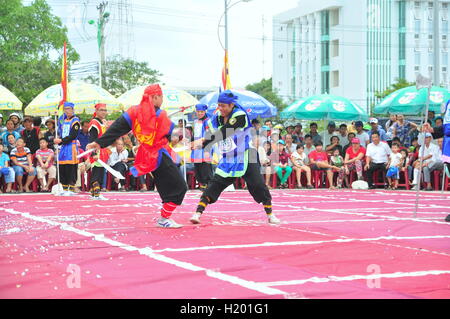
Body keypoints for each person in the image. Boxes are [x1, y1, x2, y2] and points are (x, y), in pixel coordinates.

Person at [86, 84, 187, 228]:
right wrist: (178, 136)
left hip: (146, 154)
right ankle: (164, 218)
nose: (162, 100)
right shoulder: (160, 115)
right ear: (155, 97)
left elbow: (117, 128)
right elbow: (172, 137)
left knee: (166, 184)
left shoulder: (134, 112)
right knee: (180, 187)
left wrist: (99, 142)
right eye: (161, 97)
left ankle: (165, 217)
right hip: (158, 154)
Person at [189, 90, 280, 225]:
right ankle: (198, 212)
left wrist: (203, 140)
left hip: (246, 154)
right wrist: (201, 144)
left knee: (258, 185)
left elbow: (225, 131)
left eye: (223, 105)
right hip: (229, 157)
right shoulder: (217, 117)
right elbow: (212, 133)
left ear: (231, 105)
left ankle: (270, 214)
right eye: (219, 105)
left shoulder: (240, 115)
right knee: (215, 184)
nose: (220, 108)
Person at [54, 102, 81, 196]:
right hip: (63, 146)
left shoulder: (75, 121)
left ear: (73, 110)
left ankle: (72, 187)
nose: (67, 111)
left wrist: (61, 140)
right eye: (65, 109)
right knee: (63, 167)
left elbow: (73, 135)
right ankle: (64, 188)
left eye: (69, 109)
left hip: (71, 146)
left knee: (71, 167)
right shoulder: (64, 120)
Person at [87, 103, 111, 199]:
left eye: (105, 110)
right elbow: (92, 139)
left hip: (103, 151)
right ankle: (97, 193)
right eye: (101, 110)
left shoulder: (102, 122)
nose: (104, 112)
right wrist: (93, 153)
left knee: (101, 172)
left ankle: (94, 194)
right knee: (97, 172)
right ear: (96, 111)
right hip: (97, 151)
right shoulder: (94, 123)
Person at [191, 103, 213, 190]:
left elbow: (209, 135)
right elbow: (194, 135)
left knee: (205, 167)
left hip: (205, 147)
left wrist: (202, 144)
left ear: (205, 112)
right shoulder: (196, 122)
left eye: (201, 112)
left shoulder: (208, 121)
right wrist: (191, 143)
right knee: (198, 167)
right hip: (196, 148)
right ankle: (202, 183)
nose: (200, 113)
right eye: (198, 111)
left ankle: (209, 185)